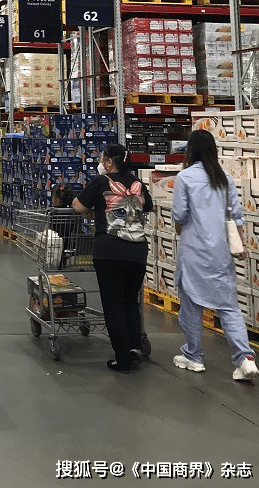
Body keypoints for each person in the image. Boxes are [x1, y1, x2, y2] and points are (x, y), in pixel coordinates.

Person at [172, 129, 259, 383]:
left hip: (193, 251)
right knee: (228, 306)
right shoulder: (225, 178)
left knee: (191, 305)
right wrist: (241, 245)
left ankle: (194, 356)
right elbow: (237, 217)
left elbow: (180, 216)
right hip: (220, 253)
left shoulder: (185, 177)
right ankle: (245, 358)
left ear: (190, 150)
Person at [73, 143, 153, 373]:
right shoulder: (138, 184)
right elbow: (147, 206)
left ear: (109, 162)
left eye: (102, 159)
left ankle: (122, 359)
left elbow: (78, 206)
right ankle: (133, 349)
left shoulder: (101, 182)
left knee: (114, 305)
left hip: (109, 251)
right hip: (137, 252)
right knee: (130, 302)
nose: (101, 163)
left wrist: (96, 209)